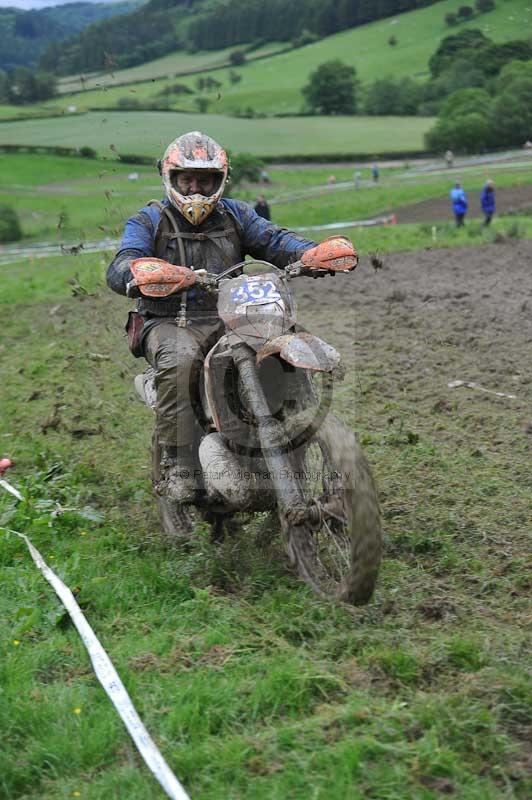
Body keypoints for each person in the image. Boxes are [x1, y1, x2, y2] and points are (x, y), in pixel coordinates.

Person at [107, 131, 357, 502]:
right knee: (181, 362)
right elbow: (121, 263)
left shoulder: (236, 215)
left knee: (279, 344)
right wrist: (141, 273)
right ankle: (180, 464)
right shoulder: (149, 220)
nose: (195, 189)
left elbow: (275, 240)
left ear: (219, 179)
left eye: (204, 179)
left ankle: (302, 427)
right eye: (187, 180)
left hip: (232, 315)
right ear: (170, 178)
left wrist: (311, 254)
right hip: (171, 321)